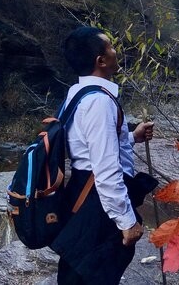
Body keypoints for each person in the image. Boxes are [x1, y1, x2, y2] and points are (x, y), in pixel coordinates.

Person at [51, 26, 157, 284]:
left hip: (81, 191)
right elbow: (106, 171)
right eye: (110, 46)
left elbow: (86, 147)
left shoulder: (78, 94)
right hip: (96, 203)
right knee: (94, 274)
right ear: (101, 60)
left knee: (78, 269)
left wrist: (131, 137)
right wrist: (126, 221)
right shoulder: (99, 102)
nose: (115, 51)